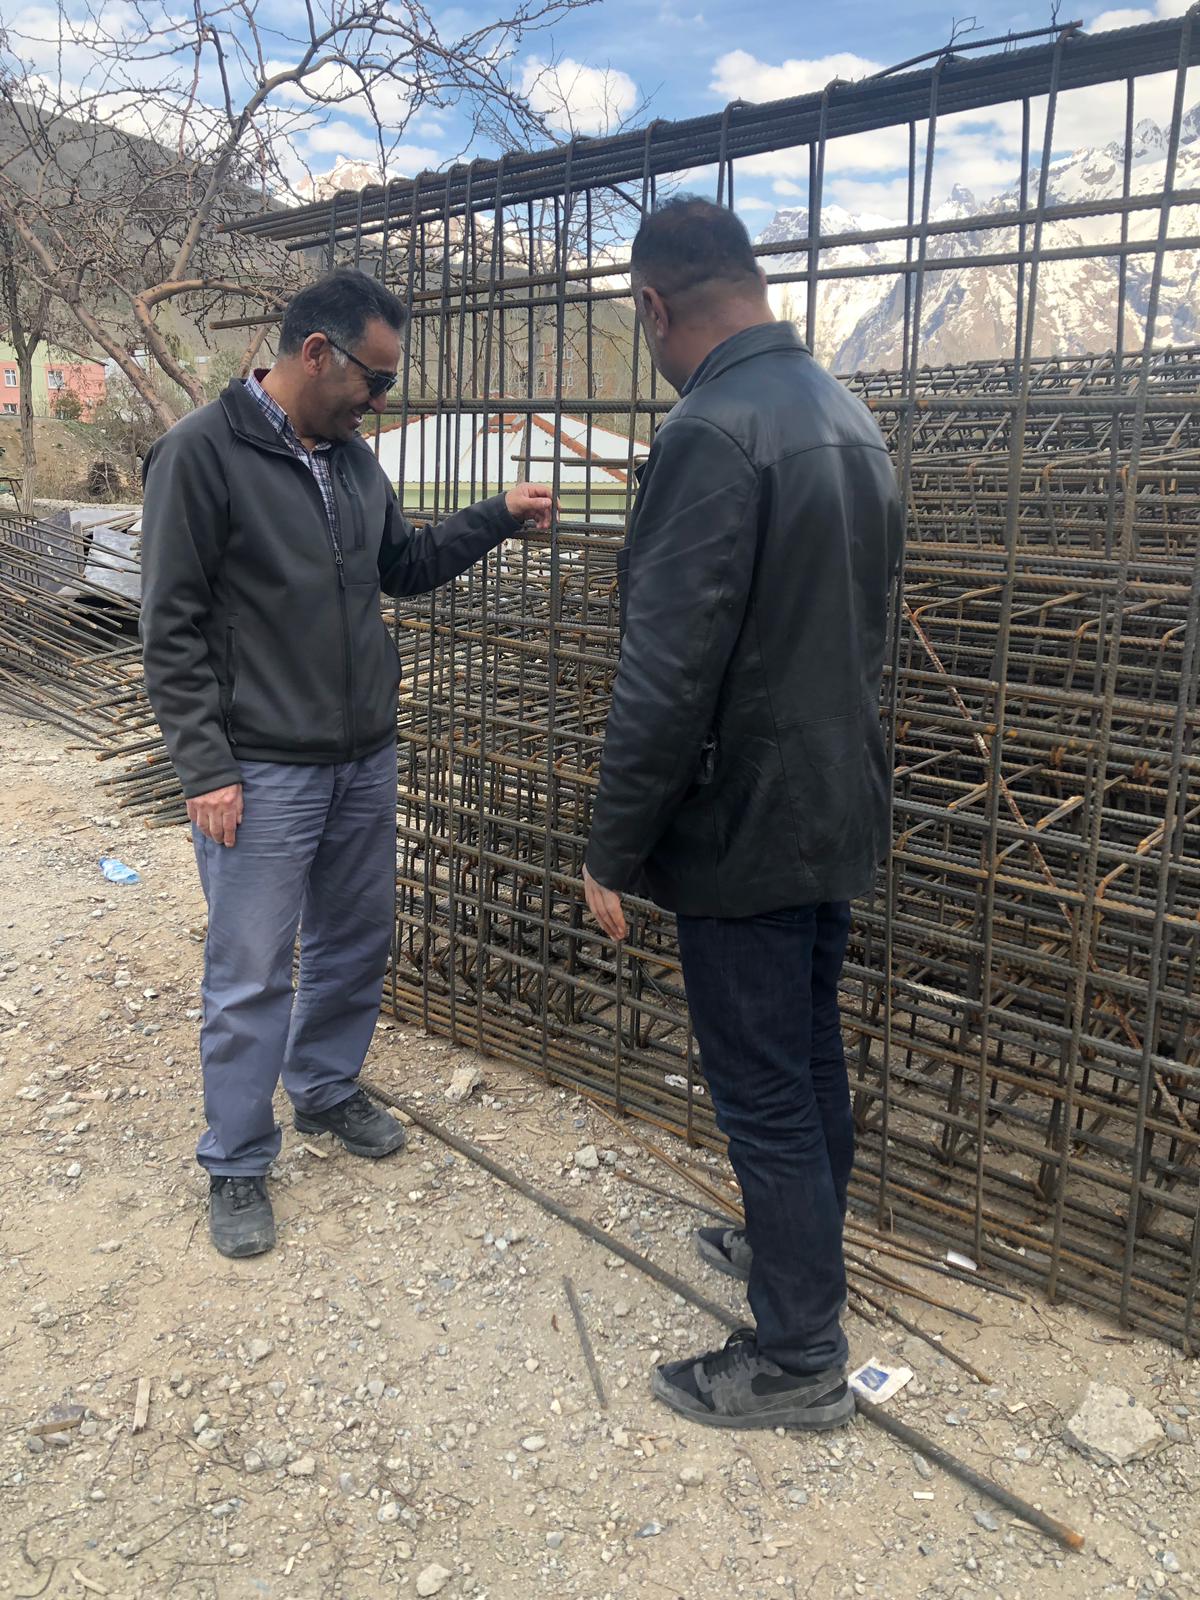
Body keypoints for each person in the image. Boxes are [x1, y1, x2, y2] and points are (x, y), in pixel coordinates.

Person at [141, 267, 551, 1259]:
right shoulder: (202, 455)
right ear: (314, 353)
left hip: (361, 755)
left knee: (354, 941)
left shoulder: (354, 464)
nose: (384, 398)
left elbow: (399, 569)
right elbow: (172, 627)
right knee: (248, 972)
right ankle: (237, 1159)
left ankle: (322, 1087)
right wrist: (206, 768)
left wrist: (496, 514)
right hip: (262, 767)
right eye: (375, 378)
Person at [583, 199, 902, 1430]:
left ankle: (797, 1355)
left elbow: (666, 674)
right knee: (808, 1054)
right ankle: (794, 1257)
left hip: (748, 820)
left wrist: (613, 844)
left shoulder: (712, 431)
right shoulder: (848, 416)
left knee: (763, 1087)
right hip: (834, 800)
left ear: (656, 306)